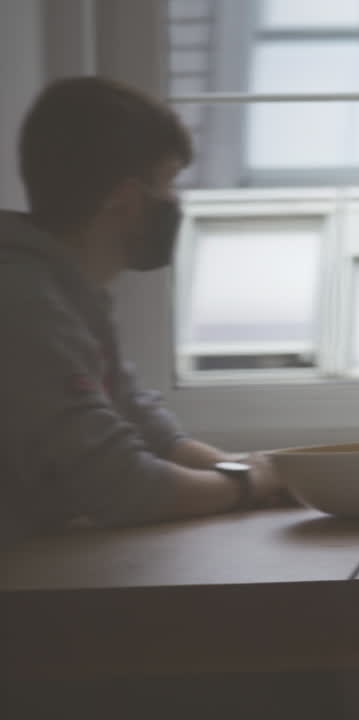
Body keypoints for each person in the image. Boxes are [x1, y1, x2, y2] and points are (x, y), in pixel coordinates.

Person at [0, 77, 287, 546]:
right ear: (127, 200)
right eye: (169, 181)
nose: (175, 201)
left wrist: (252, 473)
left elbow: (143, 428)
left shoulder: (67, 292)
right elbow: (122, 488)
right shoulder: (23, 303)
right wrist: (248, 484)